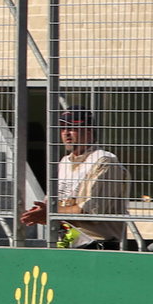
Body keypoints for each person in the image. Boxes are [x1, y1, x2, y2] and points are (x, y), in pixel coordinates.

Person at [19, 106, 132, 249]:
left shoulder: (104, 161)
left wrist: (51, 212)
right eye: (62, 128)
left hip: (100, 245)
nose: (66, 133)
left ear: (89, 131)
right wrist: (40, 214)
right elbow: (51, 203)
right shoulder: (64, 162)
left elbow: (91, 211)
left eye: (73, 128)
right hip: (66, 240)